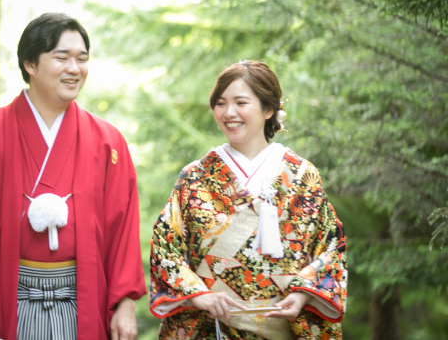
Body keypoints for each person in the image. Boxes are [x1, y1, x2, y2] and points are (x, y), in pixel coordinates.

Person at [0, 13, 146, 340]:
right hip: (5, 293)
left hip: (81, 300)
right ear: (30, 65)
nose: (74, 68)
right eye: (62, 57)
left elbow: (122, 229)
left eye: (82, 59)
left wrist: (125, 304)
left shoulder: (108, 142)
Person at [149, 61, 347, 340]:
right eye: (220, 103)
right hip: (212, 327)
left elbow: (330, 247)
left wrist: (303, 294)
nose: (229, 113)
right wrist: (198, 294)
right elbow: (165, 248)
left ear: (269, 109)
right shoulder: (195, 176)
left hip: (282, 326)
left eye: (240, 102)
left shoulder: (302, 175)